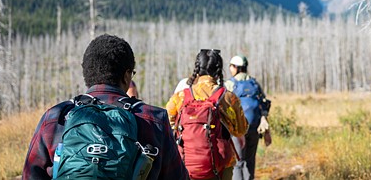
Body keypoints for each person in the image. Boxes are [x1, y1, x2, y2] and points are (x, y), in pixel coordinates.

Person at [22, 34, 189, 180]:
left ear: (86, 75)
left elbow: (31, 174)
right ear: (126, 76)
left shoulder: (56, 117)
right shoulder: (154, 120)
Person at [166, 49, 248, 180]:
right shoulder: (228, 98)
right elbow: (241, 130)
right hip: (221, 166)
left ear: (197, 68)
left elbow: (167, 122)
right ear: (219, 70)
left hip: (186, 165)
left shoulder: (181, 96)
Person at [225, 55, 271, 180]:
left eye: (231, 66)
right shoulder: (254, 83)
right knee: (250, 160)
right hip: (254, 127)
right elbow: (264, 103)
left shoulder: (230, 84)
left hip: (237, 129)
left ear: (235, 67)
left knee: (237, 162)